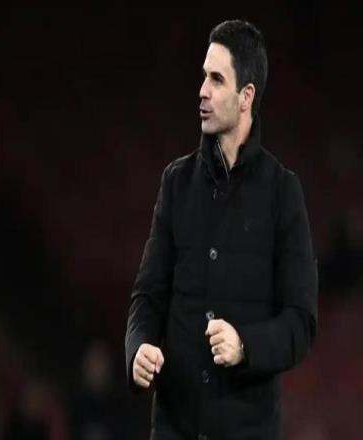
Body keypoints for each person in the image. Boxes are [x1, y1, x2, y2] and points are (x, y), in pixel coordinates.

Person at [125, 19, 318, 440]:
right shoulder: (176, 182)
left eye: (216, 79)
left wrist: (246, 344)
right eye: (203, 77)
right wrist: (137, 347)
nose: (202, 91)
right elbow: (148, 295)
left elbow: (301, 323)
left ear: (246, 96)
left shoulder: (282, 192)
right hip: (175, 427)